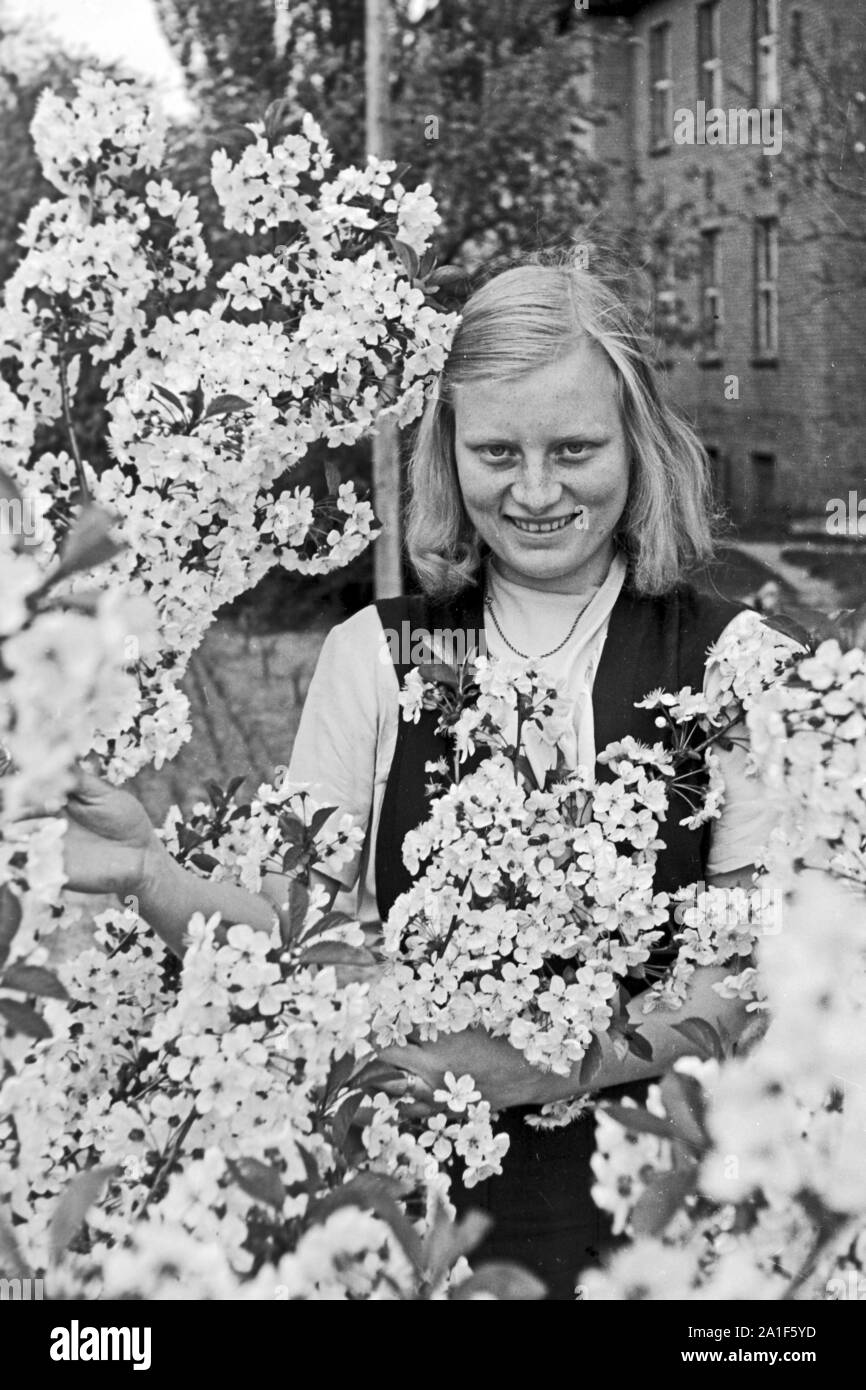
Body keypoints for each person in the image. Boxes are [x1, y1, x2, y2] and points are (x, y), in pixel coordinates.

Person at [50, 259, 800, 1300]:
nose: (534, 490)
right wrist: (147, 870)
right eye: (496, 450)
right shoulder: (386, 656)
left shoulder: (724, 663)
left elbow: (745, 976)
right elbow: (292, 935)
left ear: (638, 444)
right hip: (428, 1219)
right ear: (447, 455)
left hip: (668, 1220)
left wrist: (534, 1062)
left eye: (574, 448)